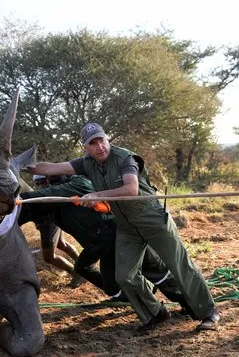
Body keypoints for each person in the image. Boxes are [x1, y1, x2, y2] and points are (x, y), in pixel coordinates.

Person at [28, 123, 220, 332]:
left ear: (107, 139)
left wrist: (96, 196)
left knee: (180, 266)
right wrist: (20, 166)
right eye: (93, 143)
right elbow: (50, 168)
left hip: (152, 219)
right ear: (86, 148)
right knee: (124, 276)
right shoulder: (86, 163)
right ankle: (155, 312)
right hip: (126, 227)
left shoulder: (125, 158)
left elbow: (131, 188)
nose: (99, 146)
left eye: (101, 140)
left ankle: (209, 313)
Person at [19, 174, 190, 310]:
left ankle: (190, 302)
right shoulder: (52, 199)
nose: (43, 186)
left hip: (122, 234)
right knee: (111, 282)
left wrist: (17, 197)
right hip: (102, 242)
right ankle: (136, 298)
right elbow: (29, 208)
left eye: (45, 181)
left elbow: (40, 197)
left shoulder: (77, 184)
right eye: (40, 183)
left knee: (154, 270)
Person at [28, 174, 85, 288]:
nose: (40, 186)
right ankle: (84, 268)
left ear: (48, 181)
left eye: (42, 182)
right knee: (62, 244)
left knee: (49, 257)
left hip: (49, 224)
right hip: (49, 223)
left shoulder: (51, 192)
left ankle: (77, 274)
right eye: (37, 184)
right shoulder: (44, 193)